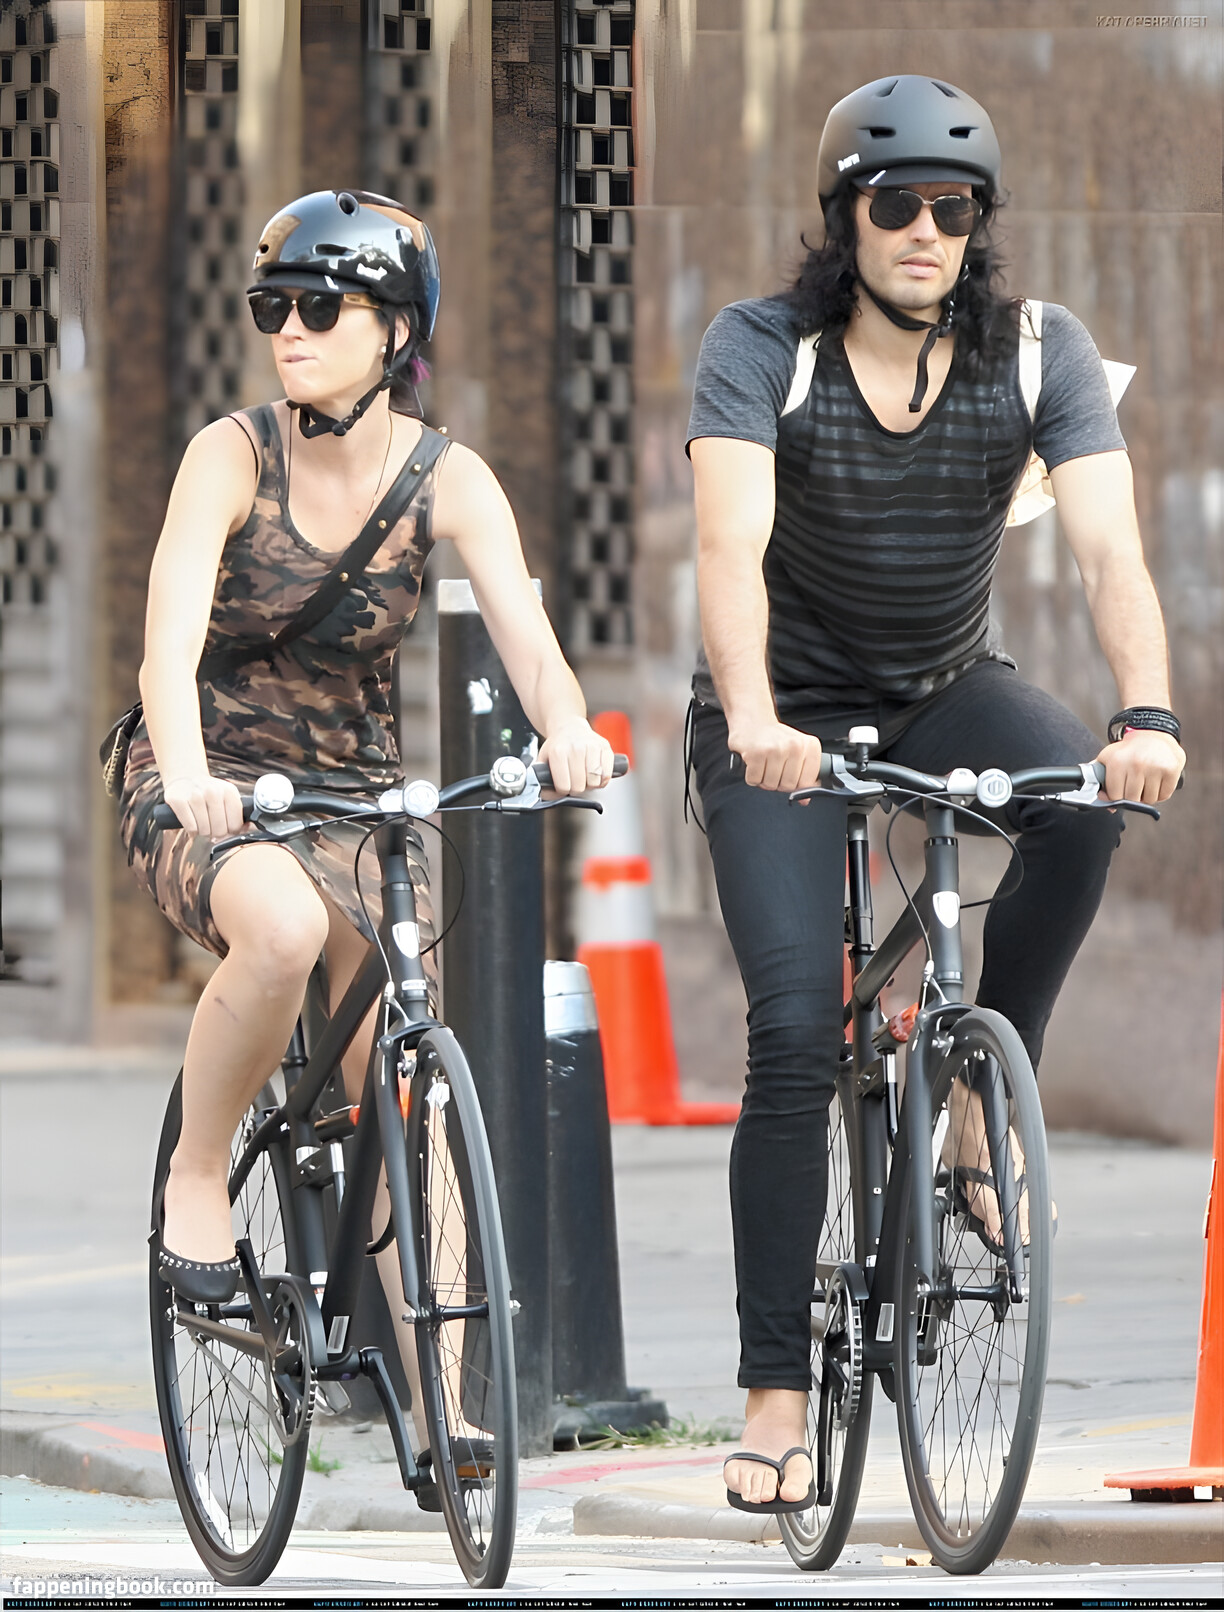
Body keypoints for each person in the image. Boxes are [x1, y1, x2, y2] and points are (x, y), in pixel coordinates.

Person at [685, 78, 1186, 1513]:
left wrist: (1145, 710)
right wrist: (757, 721)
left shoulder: (1037, 353)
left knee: (1079, 804)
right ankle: (775, 1397)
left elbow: (1108, 550)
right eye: (894, 202)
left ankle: (975, 1090)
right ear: (845, 217)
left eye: (952, 208)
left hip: (945, 684)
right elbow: (728, 547)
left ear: (980, 224)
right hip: (778, 717)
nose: (923, 229)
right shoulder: (762, 349)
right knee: (795, 1030)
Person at [120, 190, 613, 1371]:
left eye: (320, 307)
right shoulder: (231, 456)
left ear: (396, 330)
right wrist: (186, 776)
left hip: (355, 794)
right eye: (273, 308)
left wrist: (569, 728)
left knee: (402, 1079)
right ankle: (199, 1171)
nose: (289, 330)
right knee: (282, 929)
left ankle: (455, 1404)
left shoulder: (450, 478)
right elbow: (164, 651)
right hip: (208, 774)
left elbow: (530, 643)